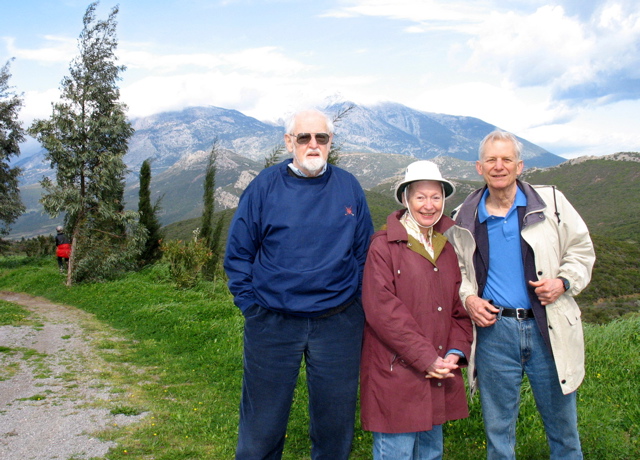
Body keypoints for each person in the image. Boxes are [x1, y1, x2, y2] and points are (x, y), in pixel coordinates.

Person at [223, 108, 374, 459]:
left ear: (330, 142)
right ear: (289, 141)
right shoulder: (264, 186)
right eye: (303, 137)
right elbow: (238, 254)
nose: (312, 144)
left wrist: (360, 307)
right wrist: (252, 308)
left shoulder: (348, 186)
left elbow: (365, 253)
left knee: (335, 427)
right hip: (273, 323)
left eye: (321, 137)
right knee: (261, 427)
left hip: (339, 322)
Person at [450, 130, 596, 459]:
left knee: (563, 428)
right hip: (494, 334)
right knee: (498, 431)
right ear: (479, 167)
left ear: (520, 166)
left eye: (506, 159)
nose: (498, 166)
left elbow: (581, 251)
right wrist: (469, 298)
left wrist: (563, 281)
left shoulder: (552, 204)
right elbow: (457, 270)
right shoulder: (464, 217)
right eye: (491, 160)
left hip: (549, 327)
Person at [360, 160, 474, 460]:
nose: (429, 205)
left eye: (436, 197)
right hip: (396, 372)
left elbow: (458, 309)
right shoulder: (383, 247)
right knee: (395, 453)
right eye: (420, 197)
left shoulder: (447, 248)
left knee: (431, 454)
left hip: (437, 372)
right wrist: (427, 359)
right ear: (406, 199)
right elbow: (383, 313)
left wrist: (454, 352)